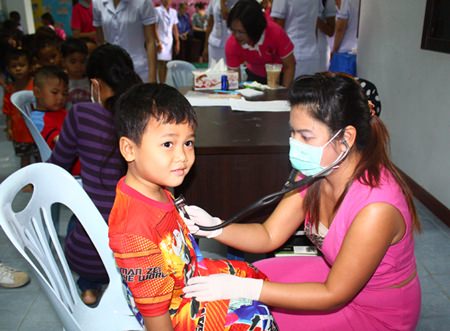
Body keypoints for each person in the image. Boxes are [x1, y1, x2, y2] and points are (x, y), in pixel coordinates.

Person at [183, 73, 421, 330]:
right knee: (251, 273)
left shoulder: (376, 209)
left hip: (373, 311)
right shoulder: (314, 172)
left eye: (306, 137)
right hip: (335, 277)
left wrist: (247, 289)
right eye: (293, 133)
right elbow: (268, 234)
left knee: (248, 311)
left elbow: (333, 295)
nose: (295, 144)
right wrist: (215, 227)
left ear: (346, 138)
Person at [110, 83, 278, 331]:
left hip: (186, 276)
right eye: (168, 144)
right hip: (172, 310)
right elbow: (156, 316)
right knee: (257, 320)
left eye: (188, 143)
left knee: (254, 276)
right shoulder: (132, 232)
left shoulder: (156, 184)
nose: (182, 156)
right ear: (129, 149)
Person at [48, 44, 142, 305]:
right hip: (137, 257)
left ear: (95, 84)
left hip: (87, 257)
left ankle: (89, 287)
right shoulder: (142, 116)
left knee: (78, 216)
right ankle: (125, 289)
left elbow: (56, 167)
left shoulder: (80, 114)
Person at [225, 0, 295, 87]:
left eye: (241, 32)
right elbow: (233, 80)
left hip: (278, 76)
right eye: (233, 30)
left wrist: (284, 93)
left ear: (254, 29)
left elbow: (290, 65)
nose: (236, 36)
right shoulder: (232, 43)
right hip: (254, 76)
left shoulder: (276, 33)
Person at [93, 0, 159, 83]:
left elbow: (150, 41)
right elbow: (100, 41)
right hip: (110, 69)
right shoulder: (97, 2)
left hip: (138, 68)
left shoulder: (143, 2)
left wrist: (152, 78)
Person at [2, 48, 39, 167]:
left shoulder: (37, 85)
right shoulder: (9, 90)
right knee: (25, 161)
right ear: (8, 69)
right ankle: (26, 184)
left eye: (22, 65)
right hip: (20, 133)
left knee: (41, 159)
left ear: (30, 66)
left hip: (37, 130)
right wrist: (9, 129)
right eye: (14, 66)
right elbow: (8, 112)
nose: (18, 69)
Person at [270, 0, 321, 78]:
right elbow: (315, 25)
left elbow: (278, 29)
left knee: (290, 89)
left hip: (290, 55)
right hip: (312, 53)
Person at [203, 0, 238, 66]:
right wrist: (205, 47)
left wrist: (222, 2)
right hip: (214, 44)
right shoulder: (214, 1)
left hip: (232, 45)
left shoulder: (238, 2)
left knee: (231, 72)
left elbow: (226, 16)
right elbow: (210, 24)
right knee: (214, 72)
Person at [329, 0, 360, 76]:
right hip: (356, 50)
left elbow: (340, 28)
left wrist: (334, 50)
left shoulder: (346, 1)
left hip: (343, 53)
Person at [155, 0, 180, 83]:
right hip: (160, 40)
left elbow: (174, 27)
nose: (167, 1)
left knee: (166, 64)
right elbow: (154, 28)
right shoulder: (157, 10)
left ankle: (164, 82)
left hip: (169, 41)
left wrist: (177, 41)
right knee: (161, 62)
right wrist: (158, 42)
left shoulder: (173, 12)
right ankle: (161, 83)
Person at [61, 37, 90, 106]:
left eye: (82, 61)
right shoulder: (61, 83)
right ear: (63, 62)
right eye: (73, 62)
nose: (78, 66)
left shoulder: (91, 82)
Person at [316, 0, 336, 72]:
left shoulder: (327, 1)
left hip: (319, 53)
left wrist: (312, 16)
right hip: (292, 50)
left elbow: (330, 31)